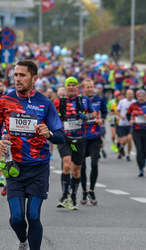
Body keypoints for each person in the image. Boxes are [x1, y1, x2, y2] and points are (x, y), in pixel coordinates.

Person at [0, 60, 65, 250]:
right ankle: (22, 240)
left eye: (22, 75)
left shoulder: (45, 103)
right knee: (16, 218)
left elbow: (61, 137)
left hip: (38, 168)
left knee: (33, 215)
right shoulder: (5, 101)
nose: (17, 79)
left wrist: (48, 133)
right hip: (14, 168)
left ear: (34, 78)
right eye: (15, 75)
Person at [53, 76, 96, 210]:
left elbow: (94, 114)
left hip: (80, 138)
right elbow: (51, 116)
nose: (71, 87)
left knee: (77, 170)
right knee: (66, 165)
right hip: (65, 138)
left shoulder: (84, 100)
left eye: (73, 85)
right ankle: (64, 195)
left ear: (77, 87)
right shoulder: (58, 101)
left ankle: (73, 197)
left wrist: (87, 116)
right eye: (68, 85)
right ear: (65, 88)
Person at [80, 79, 107, 205]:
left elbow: (105, 112)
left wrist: (102, 118)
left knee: (95, 164)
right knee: (82, 167)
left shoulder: (99, 100)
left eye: (92, 87)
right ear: (83, 88)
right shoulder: (79, 100)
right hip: (82, 137)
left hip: (95, 136)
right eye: (87, 87)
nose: (90, 89)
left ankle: (92, 190)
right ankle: (84, 191)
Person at [127, 90, 146, 177]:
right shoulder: (133, 105)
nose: (141, 98)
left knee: (145, 150)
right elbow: (128, 114)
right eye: (139, 96)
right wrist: (130, 121)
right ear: (137, 97)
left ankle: (145, 157)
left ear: (145, 96)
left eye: (142, 96)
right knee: (139, 150)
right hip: (136, 130)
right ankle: (140, 168)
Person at [116, 89, 136, 161]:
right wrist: (121, 116)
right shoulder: (122, 102)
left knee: (130, 139)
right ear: (126, 95)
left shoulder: (135, 102)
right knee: (124, 141)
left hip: (131, 124)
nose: (130, 95)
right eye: (129, 94)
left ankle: (128, 154)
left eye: (131, 94)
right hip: (122, 123)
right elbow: (116, 111)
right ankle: (121, 147)